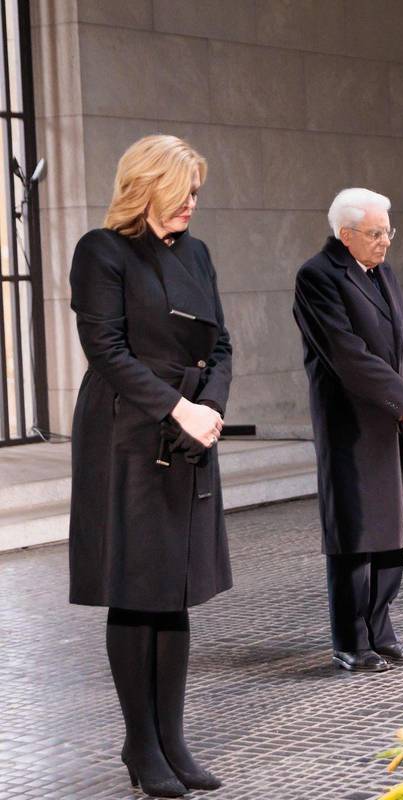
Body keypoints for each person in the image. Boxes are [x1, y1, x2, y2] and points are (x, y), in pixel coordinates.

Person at [68, 134, 231, 797]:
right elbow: (104, 347)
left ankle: (173, 739)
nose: (193, 201)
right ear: (149, 184)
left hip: (190, 430)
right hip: (127, 434)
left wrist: (210, 407)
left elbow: (220, 342)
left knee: (176, 588)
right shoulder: (102, 251)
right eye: (184, 189)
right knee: (138, 588)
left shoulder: (197, 253)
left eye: (196, 190)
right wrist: (175, 408)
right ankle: (142, 745)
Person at [293, 188, 403, 673]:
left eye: (388, 231)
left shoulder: (385, 274)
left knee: (393, 527)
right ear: (345, 234)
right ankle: (350, 640)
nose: (385, 241)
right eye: (375, 233)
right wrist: (402, 398)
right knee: (357, 532)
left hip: (395, 419)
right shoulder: (317, 277)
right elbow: (347, 353)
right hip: (352, 425)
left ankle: (381, 630)